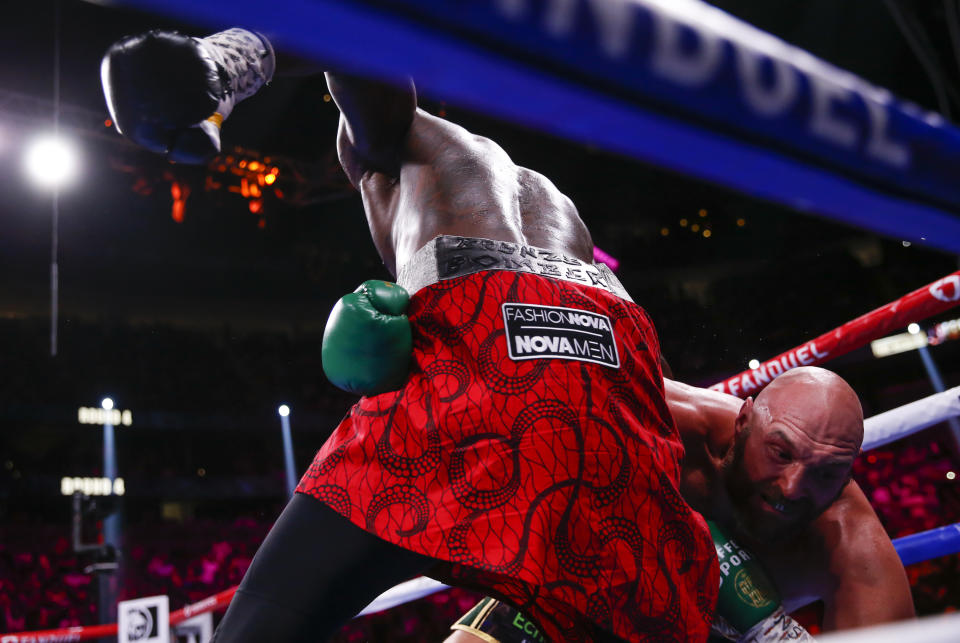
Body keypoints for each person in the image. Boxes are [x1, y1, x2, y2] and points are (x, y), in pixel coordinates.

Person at [101, 28, 719, 642]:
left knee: (261, 624)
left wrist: (230, 60)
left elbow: (360, 46)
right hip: (613, 352)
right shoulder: (555, 199)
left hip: (486, 337)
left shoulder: (413, 143)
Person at [439, 367, 915, 642]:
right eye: (780, 452)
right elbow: (507, 401)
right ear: (744, 419)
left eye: (826, 473)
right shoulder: (664, 420)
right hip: (585, 590)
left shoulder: (854, 557)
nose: (793, 487)